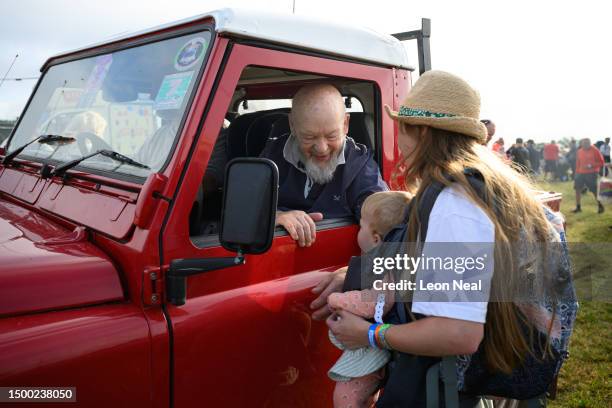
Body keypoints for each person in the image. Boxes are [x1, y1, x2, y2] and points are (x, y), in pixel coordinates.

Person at [313, 71, 559, 406]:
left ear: (422, 131)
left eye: (402, 127)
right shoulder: (479, 190)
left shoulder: (454, 205)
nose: (399, 141)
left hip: (451, 391)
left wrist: (370, 334)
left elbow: (458, 333)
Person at [260, 84, 387, 247]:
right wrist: (274, 216)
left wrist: (361, 270)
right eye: (309, 137)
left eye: (331, 136)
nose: (322, 148)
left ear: (346, 124)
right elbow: (242, 208)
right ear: (292, 125)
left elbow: (384, 225)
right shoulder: (272, 155)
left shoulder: (361, 168)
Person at [327, 191, 412, 408]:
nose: (357, 230)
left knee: (346, 396)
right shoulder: (377, 263)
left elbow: (374, 302)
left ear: (375, 238)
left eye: (361, 225)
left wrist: (339, 300)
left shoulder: (387, 269)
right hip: (374, 345)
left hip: (372, 349)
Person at [572, 138, 605, 213]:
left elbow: (601, 162)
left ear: (590, 143)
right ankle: (578, 207)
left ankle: (600, 206)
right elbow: (578, 163)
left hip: (591, 173)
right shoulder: (579, 151)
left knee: (594, 191)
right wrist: (576, 173)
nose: (585, 145)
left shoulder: (595, 150)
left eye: (587, 143)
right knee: (577, 189)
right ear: (581, 144)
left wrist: (590, 165)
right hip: (580, 173)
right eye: (583, 143)